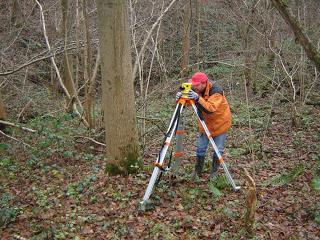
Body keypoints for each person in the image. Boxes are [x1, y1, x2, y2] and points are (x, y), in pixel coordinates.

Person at [176, 72, 232, 179]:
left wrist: (197, 98)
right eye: (193, 85)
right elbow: (188, 102)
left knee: (218, 149)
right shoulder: (197, 90)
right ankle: (197, 172)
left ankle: (214, 173)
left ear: (204, 83)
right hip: (205, 124)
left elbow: (210, 108)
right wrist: (181, 97)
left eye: (197, 85)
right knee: (200, 148)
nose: (194, 87)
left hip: (220, 124)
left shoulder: (216, 92)